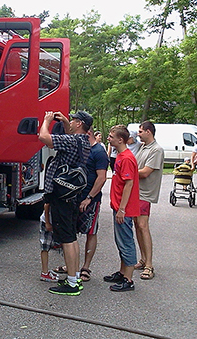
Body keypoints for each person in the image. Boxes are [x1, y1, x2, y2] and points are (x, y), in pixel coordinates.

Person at [39, 110, 92, 296]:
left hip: (61, 197)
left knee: (67, 239)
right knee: (72, 238)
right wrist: (65, 123)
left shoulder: (71, 141)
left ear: (79, 124)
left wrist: (46, 121)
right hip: (72, 196)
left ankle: (71, 283)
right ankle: (74, 276)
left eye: (73, 120)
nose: (71, 122)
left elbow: (43, 137)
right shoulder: (83, 142)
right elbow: (71, 137)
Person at [103, 125, 140, 291]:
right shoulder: (120, 156)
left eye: (111, 136)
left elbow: (129, 183)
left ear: (120, 140)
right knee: (120, 241)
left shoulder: (126, 158)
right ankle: (122, 271)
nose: (108, 139)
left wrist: (122, 209)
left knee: (126, 241)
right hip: (118, 205)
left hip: (123, 208)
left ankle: (129, 279)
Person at [76, 128, 109, 282]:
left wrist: (89, 197)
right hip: (74, 197)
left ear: (87, 134)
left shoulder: (99, 152)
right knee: (71, 232)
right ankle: (72, 264)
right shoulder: (79, 149)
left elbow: (102, 178)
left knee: (91, 232)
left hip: (90, 199)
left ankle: (86, 267)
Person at [133, 120, 164, 280]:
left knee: (143, 226)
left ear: (148, 132)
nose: (138, 134)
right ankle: (143, 259)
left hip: (145, 193)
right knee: (137, 226)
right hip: (136, 193)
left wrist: (127, 171)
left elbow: (145, 172)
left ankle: (150, 265)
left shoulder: (156, 150)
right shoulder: (144, 147)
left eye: (140, 131)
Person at [39, 201, 60, 282]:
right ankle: (44, 272)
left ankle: (70, 268)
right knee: (45, 246)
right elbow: (46, 205)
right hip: (47, 221)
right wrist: (47, 223)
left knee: (64, 246)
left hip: (58, 222)